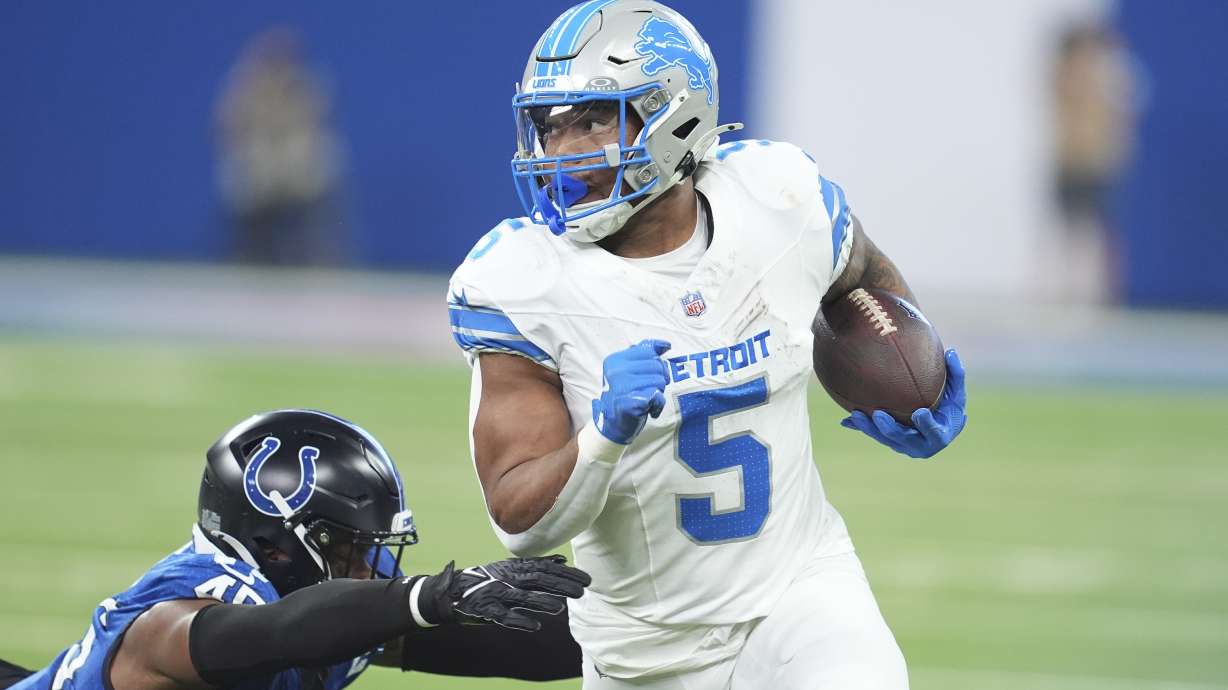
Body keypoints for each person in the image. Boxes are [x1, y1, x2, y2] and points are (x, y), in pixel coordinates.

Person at [445, 1, 968, 688]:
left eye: (595, 118)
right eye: (551, 124)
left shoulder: (779, 199)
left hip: (801, 594)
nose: (562, 150)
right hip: (648, 650)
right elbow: (519, 520)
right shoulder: (520, 281)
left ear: (676, 115)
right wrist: (602, 436)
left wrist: (908, 370)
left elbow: (861, 272)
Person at [2, 409, 590, 690]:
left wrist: (644, 633)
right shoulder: (172, 619)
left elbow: (516, 652)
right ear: (275, 544)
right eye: (347, 549)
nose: (369, 572)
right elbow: (278, 634)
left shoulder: (324, 601)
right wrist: (429, 596)